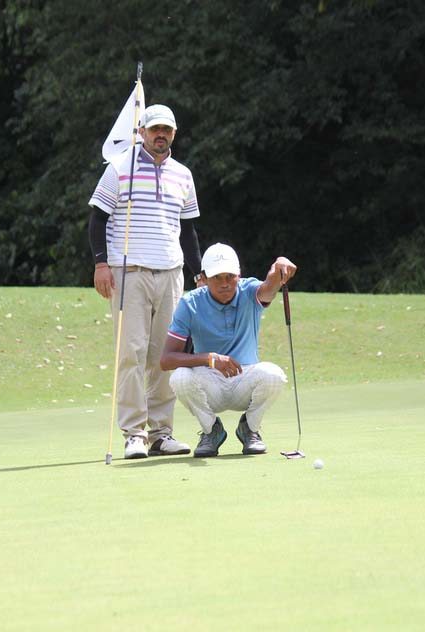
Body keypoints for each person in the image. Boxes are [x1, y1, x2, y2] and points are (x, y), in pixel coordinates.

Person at [88, 104, 204, 459]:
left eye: (166, 130)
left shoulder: (183, 174)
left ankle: (161, 433)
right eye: (155, 129)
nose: (161, 135)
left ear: (174, 134)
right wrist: (101, 264)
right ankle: (134, 433)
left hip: (171, 273)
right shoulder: (119, 168)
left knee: (164, 356)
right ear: (141, 132)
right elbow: (97, 219)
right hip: (130, 273)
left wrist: (199, 274)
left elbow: (188, 230)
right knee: (131, 353)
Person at [160, 243, 297, 457]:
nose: (225, 284)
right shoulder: (190, 303)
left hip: (245, 380)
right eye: (217, 277)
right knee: (180, 377)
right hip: (210, 383)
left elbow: (269, 287)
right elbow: (166, 359)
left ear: (239, 275)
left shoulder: (249, 291)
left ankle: (249, 428)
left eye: (230, 276)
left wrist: (279, 266)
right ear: (203, 278)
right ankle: (211, 430)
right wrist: (210, 359)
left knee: (274, 375)